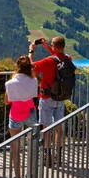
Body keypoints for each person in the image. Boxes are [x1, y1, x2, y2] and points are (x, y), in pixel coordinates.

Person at [28, 36, 72, 165]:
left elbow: (31, 67)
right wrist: (47, 46)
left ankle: (47, 157)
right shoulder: (67, 59)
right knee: (59, 128)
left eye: (52, 46)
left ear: (55, 47)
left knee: (46, 129)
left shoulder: (48, 61)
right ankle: (59, 156)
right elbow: (57, 55)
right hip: (61, 97)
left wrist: (31, 52)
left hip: (47, 98)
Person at [4, 55, 38, 178]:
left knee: (16, 148)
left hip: (16, 114)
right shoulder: (33, 80)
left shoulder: (10, 83)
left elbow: (7, 101)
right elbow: (34, 93)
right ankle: (31, 175)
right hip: (30, 112)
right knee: (32, 145)